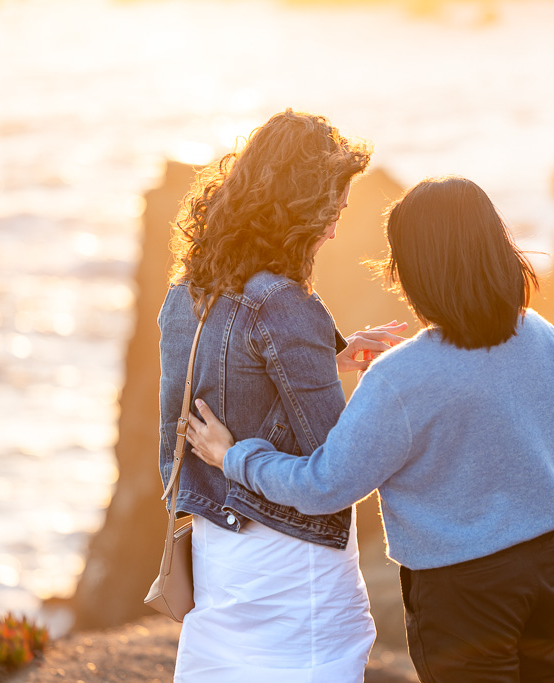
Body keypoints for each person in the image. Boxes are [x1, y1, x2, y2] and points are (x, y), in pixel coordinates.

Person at [187, 175, 554, 683]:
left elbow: (324, 486)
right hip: (548, 566)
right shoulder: (542, 336)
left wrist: (234, 457)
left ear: (415, 272)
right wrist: (544, 543)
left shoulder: (401, 379)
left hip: (460, 593)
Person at [158, 109, 405, 682]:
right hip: (294, 567)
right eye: (332, 211)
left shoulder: (185, 296)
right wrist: (393, 391)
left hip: (220, 553)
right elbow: (333, 469)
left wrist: (329, 358)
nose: (335, 230)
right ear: (299, 203)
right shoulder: (285, 304)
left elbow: (234, 386)